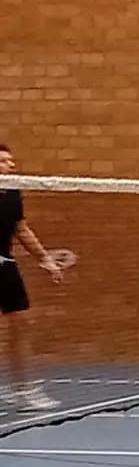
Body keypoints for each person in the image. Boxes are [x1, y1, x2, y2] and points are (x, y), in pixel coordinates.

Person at [0, 144, 66, 415]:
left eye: (10, 160)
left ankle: (23, 390)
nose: (10, 165)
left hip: (5, 265)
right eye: (3, 161)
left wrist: (44, 258)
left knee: (23, 323)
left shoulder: (13, 191)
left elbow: (21, 228)